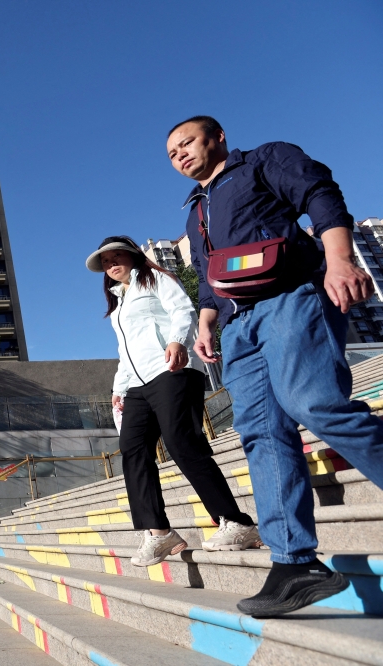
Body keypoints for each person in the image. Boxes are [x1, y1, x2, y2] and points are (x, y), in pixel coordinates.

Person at [167, 116, 383, 616]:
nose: (179, 155)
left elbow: (320, 195)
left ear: (217, 136)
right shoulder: (195, 213)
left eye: (187, 143)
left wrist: (340, 259)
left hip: (292, 297)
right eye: (172, 153)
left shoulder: (265, 159)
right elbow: (207, 277)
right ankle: (294, 564)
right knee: (261, 433)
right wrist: (205, 324)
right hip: (238, 326)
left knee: (317, 404)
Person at [86, 236, 259, 567]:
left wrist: (179, 341)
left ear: (134, 255)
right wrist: (118, 387)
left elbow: (183, 310)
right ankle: (159, 532)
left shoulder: (157, 279)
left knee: (182, 443)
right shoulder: (118, 306)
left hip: (172, 370)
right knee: (133, 450)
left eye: (117, 256)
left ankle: (236, 523)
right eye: (106, 262)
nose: (111, 264)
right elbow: (126, 352)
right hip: (137, 383)